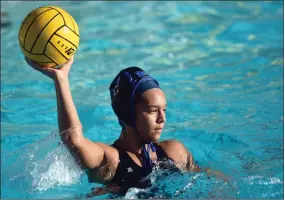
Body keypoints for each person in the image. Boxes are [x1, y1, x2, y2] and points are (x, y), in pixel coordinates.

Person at [25, 56, 223, 195]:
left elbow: (214, 183)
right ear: (128, 113)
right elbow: (73, 139)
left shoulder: (175, 152)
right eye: (153, 110)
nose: (162, 119)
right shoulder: (111, 161)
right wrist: (61, 80)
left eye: (165, 109)